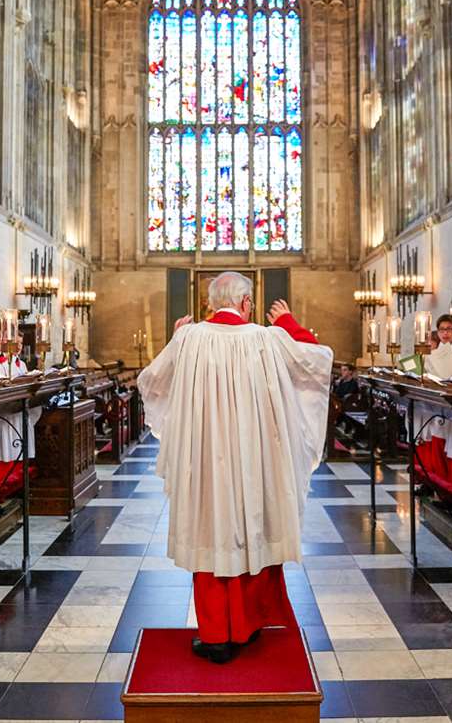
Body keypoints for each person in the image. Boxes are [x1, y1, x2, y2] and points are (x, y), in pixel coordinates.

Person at [137, 272, 333, 664]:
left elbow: (152, 382)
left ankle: (215, 637)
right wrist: (288, 323)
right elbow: (317, 362)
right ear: (246, 304)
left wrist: (178, 338)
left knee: (209, 531)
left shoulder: (189, 339)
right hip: (252, 462)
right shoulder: (267, 339)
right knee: (249, 527)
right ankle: (246, 628)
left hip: (204, 462)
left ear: (210, 304)